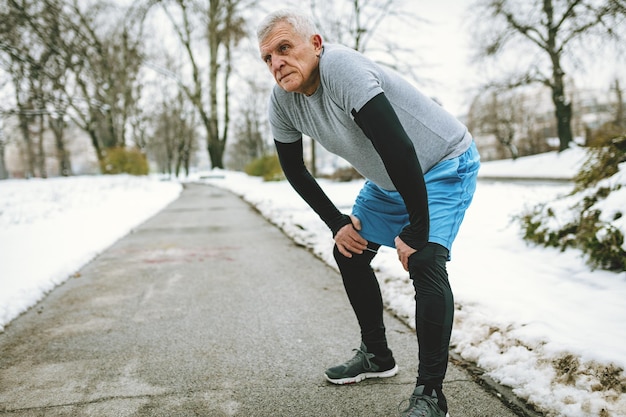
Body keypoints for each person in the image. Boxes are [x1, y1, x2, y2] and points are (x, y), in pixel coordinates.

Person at [257, 9, 480, 417]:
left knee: (426, 259)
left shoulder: (341, 68)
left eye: (284, 48)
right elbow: (294, 169)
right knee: (350, 249)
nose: (276, 63)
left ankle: (431, 394)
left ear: (316, 45)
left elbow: (399, 147)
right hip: (391, 179)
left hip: (445, 163)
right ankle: (377, 355)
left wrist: (418, 230)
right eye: (267, 57)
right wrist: (337, 223)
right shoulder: (282, 102)